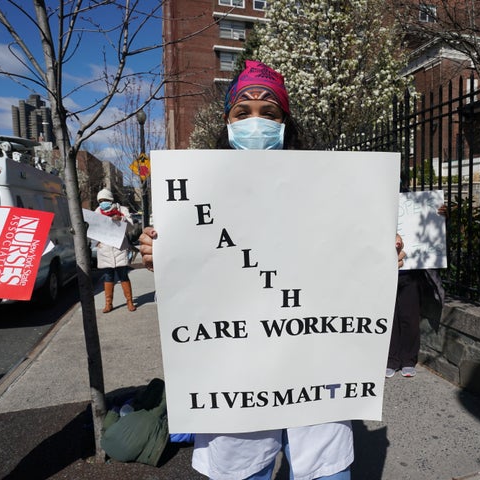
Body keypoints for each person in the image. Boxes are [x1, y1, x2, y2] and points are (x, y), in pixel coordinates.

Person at [139, 59, 404, 480]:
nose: (256, 121)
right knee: (242, 469)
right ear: (226, 123)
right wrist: (164, 256)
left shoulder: (329, 187)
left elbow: (345, 262)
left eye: (270, 112)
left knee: (325, 468)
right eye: (243, 112)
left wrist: (378, 254)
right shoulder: (197, 190)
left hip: (316, 362)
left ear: (286, 122)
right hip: (234, 370)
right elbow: (200, 278)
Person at [386, 206, 446, 379]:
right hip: (385, 272)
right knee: (390, 318)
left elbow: (429, 231)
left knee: (409, 317)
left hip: (410, 273)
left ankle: (408, 360)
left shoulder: (413, 204)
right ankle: (391, 360)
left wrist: (440, 218)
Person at [95, 188, 137, 313]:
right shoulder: (97, 212)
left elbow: (131, 228)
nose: (103, 203)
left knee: (123, 275)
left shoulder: (122, 210)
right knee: (108, 277)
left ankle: (129, 301)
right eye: (100, 201)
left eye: (105, 200)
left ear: (111, 199)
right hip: (105, 249)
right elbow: (93, 230)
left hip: (119, 248)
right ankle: (108, 304)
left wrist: (121, 219)